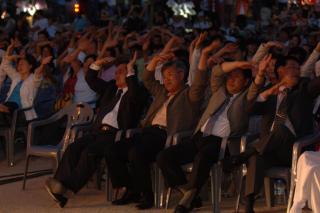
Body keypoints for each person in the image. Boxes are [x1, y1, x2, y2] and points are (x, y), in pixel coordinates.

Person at [105, 35, 219, 210]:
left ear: (181, 74)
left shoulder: (189, 95)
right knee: (113, 149)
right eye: (164, 76)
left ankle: (147, 195)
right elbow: (147, 78)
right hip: (147, 132)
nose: (166, 80)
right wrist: (156, 60)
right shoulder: (162, 92)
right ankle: (131, 188)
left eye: (170, 76)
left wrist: (204, 55)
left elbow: (200, 82)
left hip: (166, 135)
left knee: (136, 153)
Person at [157, 52, 268, 213]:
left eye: (236, 77)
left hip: (221, 143)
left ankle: (185, 202)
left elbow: (256, 85)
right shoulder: (219, 91)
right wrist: (237, 64)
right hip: (199, 137)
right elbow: (216, 72)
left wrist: (261, 72)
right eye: (229, 76)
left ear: (245, 82)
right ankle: (189, 193)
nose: (231, 80)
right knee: (164, 157)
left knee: (202, 158)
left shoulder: (246, 98)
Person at [44, 53, 148, 208]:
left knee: (89, 153)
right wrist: (97, 64)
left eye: (121, 71)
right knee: (73, 148)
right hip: (97, 131)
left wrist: (131, 71)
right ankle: (59, 185)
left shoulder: (138, 92)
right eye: (116, 71)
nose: (116, 74)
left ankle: (66, 190)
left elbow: (134, 95)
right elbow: (91, 79)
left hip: (116, 135)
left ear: (130, 74)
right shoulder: (111, 88)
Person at [225, 55, 320, 213]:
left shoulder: (304, 89)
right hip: (270, 150)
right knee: (256, 158)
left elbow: (317, 83)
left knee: (282, 129)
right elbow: (249, 110)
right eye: (292, 68)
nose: (297, 71)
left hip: (295, 149)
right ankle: (249, 203)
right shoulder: (269, 93)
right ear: (280, 70)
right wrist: (267, 93)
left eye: (298, 68)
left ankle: (246, 154)